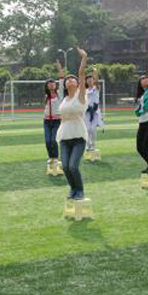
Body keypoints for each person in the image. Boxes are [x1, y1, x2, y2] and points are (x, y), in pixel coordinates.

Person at [56, 47, 88, 200]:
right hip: (64, 136)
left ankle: (79, 190)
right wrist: (60, 70)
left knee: (73, 166)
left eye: (72, 79)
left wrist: (84, 58)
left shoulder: (81, 96)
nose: (70, 80)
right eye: (67, 79)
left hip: (78, 136)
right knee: (65, 166)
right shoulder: (64, 99)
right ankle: (73, 189)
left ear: (77, 83)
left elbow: (81, 74)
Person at [44, 60, 65, 166]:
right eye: (49, 83)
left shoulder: (59, 94)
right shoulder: (46, 96)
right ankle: (50, 156)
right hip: (47, 121)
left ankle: (56, 157)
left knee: (53, 140)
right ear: (47, 86)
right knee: (47, 141)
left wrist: (59, 69)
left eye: (53, 83)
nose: (51, 85)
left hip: (57, 120)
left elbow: (61, 80)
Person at [83, 67, 103, 151]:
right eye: (88, 80)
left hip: (95, 112)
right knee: (87, 129)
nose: (90, 81)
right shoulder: (84, 90)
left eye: (91, 79)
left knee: (93, 129)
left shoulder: (96, 88)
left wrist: (95, 71)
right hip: (87, 112)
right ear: (86, 81)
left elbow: (97, 81)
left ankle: (93, 144)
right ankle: (87, 144)